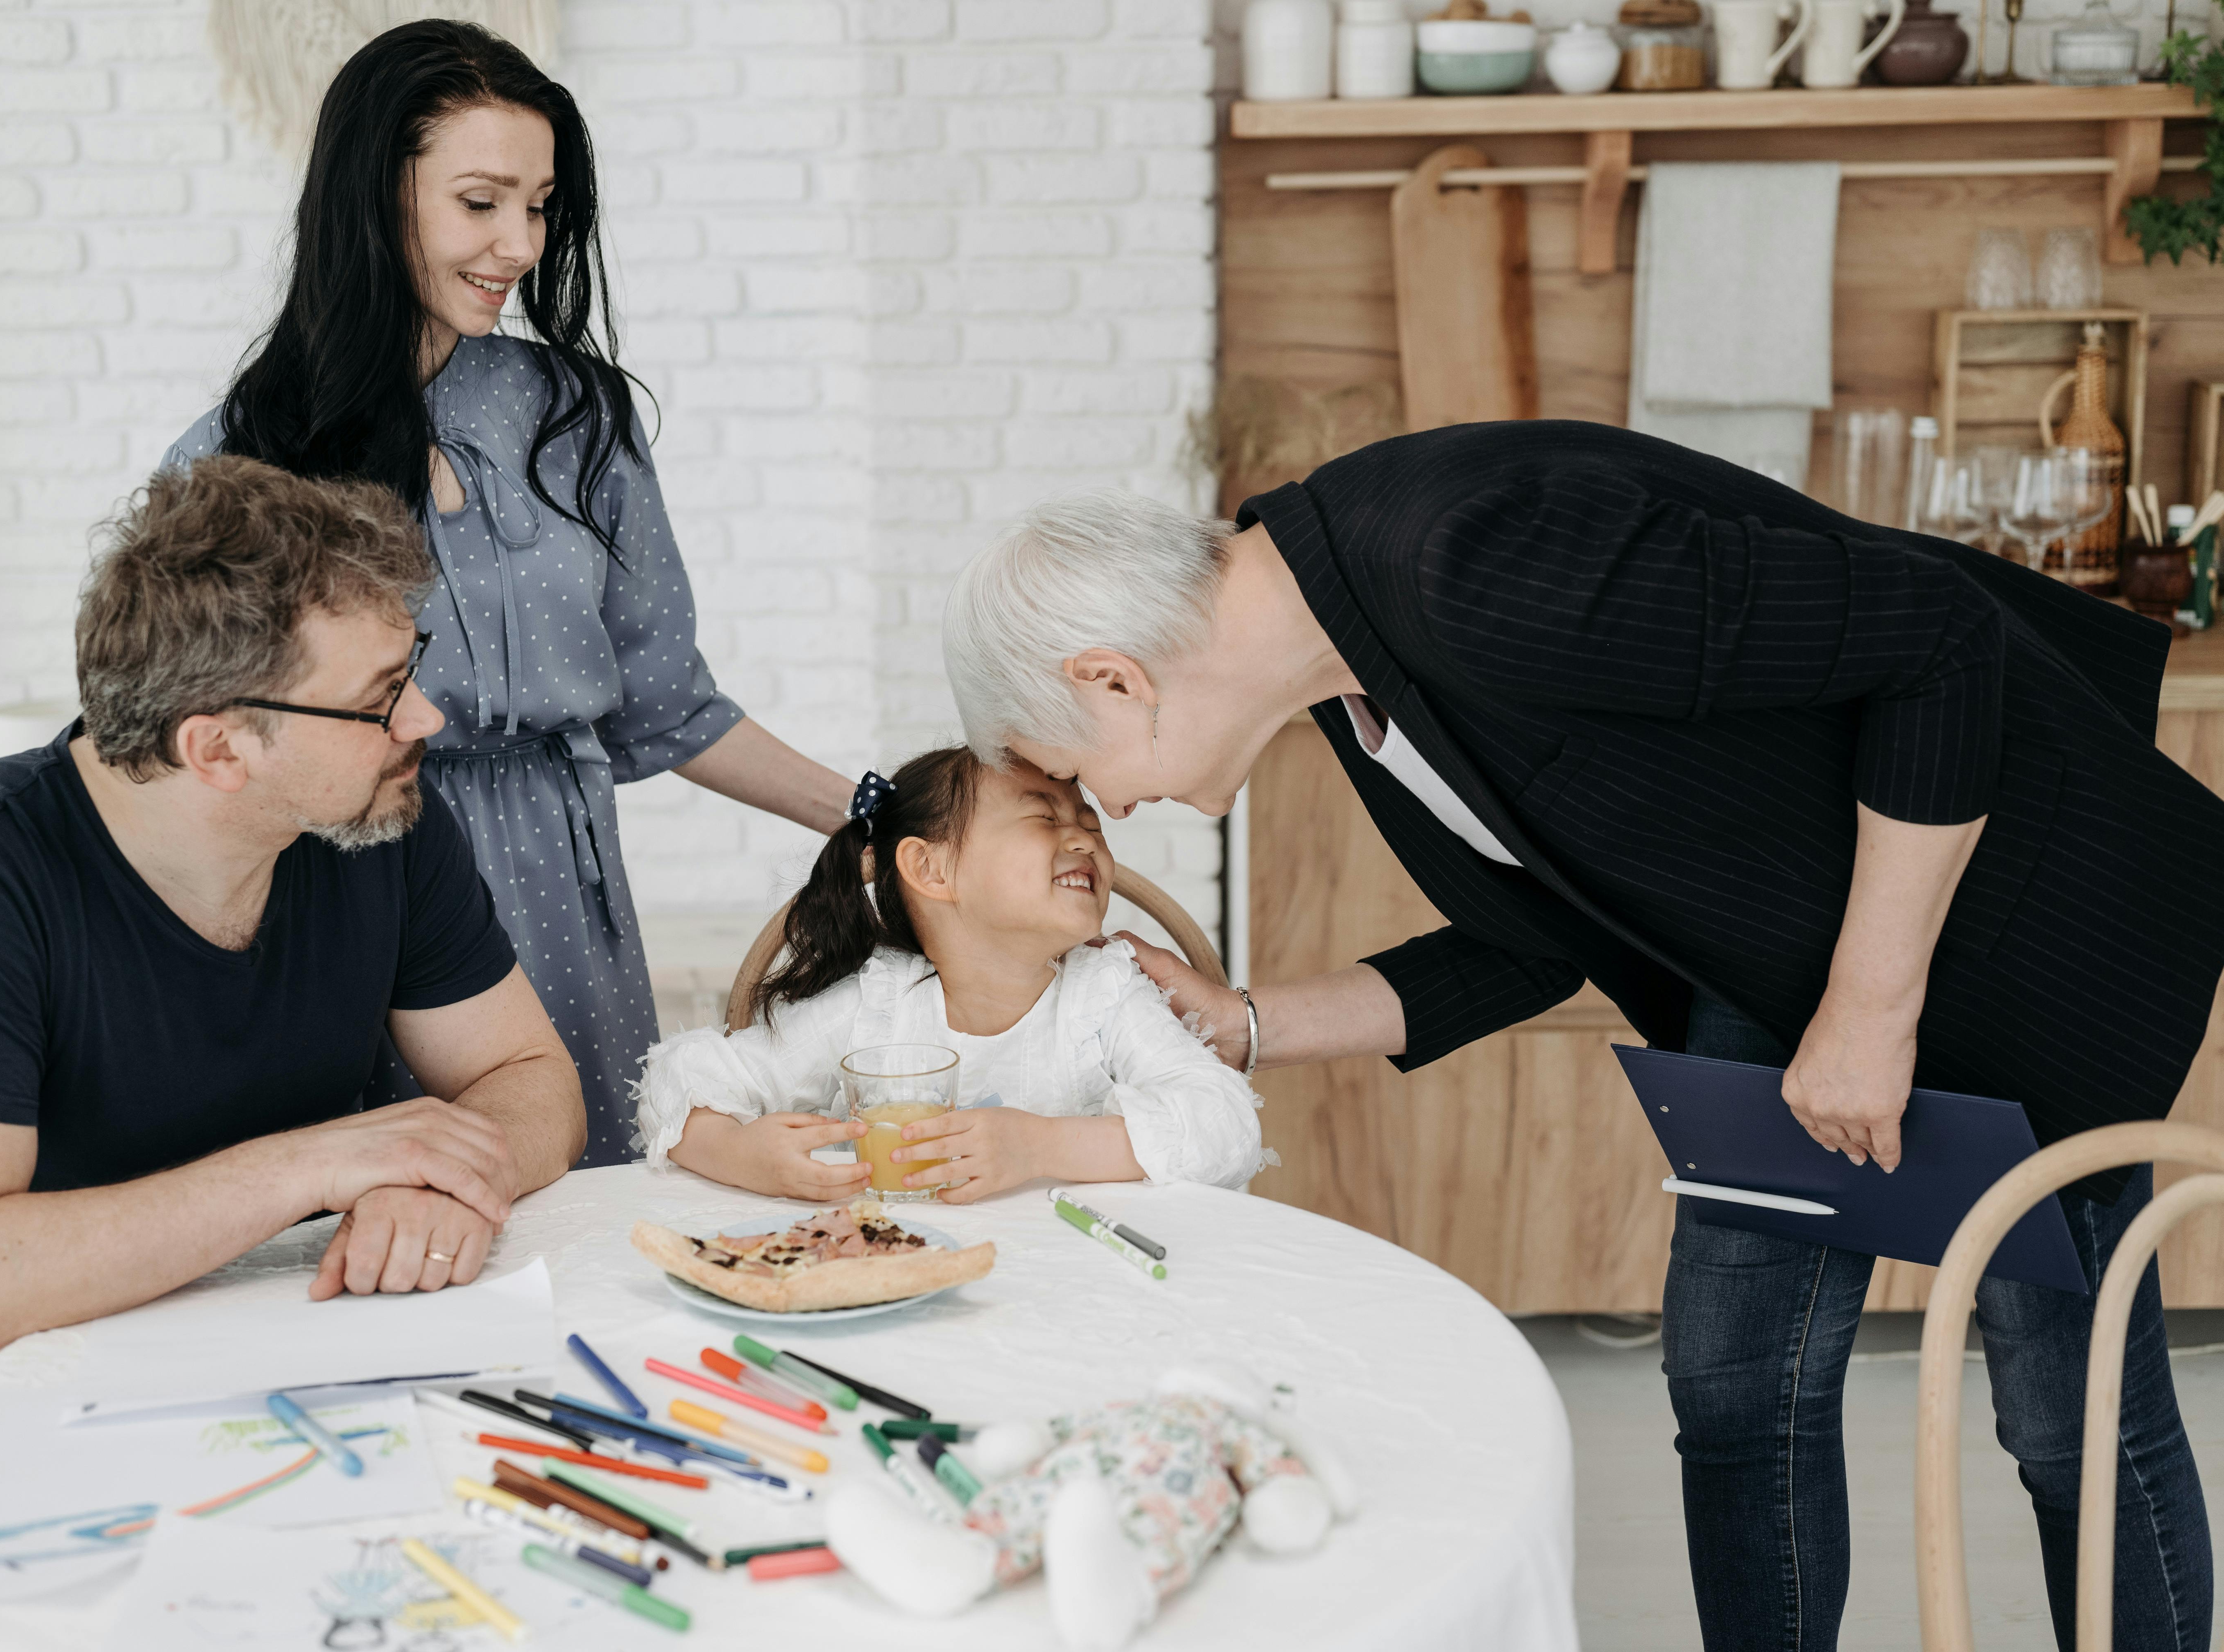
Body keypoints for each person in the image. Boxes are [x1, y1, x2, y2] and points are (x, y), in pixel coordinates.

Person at [938, 425, 2224, 1652]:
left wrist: (1871, 1008)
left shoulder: (1464, 564)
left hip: (2012, 904)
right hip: (1780, 953)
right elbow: (1545, 936)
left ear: (1112, 676)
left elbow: (1939, 641)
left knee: (2073, 1418)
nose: (1107, 809)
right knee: (1735, 1392)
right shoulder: (1351, 676)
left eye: (1076, 769)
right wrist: (1251, 1022)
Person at [165, 21, 851, 1169]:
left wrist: (871, 812)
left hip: (564, 884)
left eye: (538, 206)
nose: (520, 244)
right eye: (480, 203)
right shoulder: (242, 458)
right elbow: (191, 751)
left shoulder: (577, 420)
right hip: (351, 884)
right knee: (403, 1221)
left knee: (579, 1205)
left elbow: (669, 706)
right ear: (376, 196)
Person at [0, 457, 582, 1403]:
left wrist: (428, 1179)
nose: (426, 717)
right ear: (217, 747)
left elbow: (531, 1080)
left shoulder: (379, 817)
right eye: (378, 698)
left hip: (302, 1342)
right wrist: (312, 1165)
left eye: (412, 670)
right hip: (24, 1399)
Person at [634, 749, 1265, 1202]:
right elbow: (683, 1080)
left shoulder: (1105, 997)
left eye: (1090, 822)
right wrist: (737, 1154)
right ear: (933, 871)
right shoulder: (878, 1009)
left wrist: (1039, 1147)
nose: (1082, 838)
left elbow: (1226, 1126)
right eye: (1045, 818)